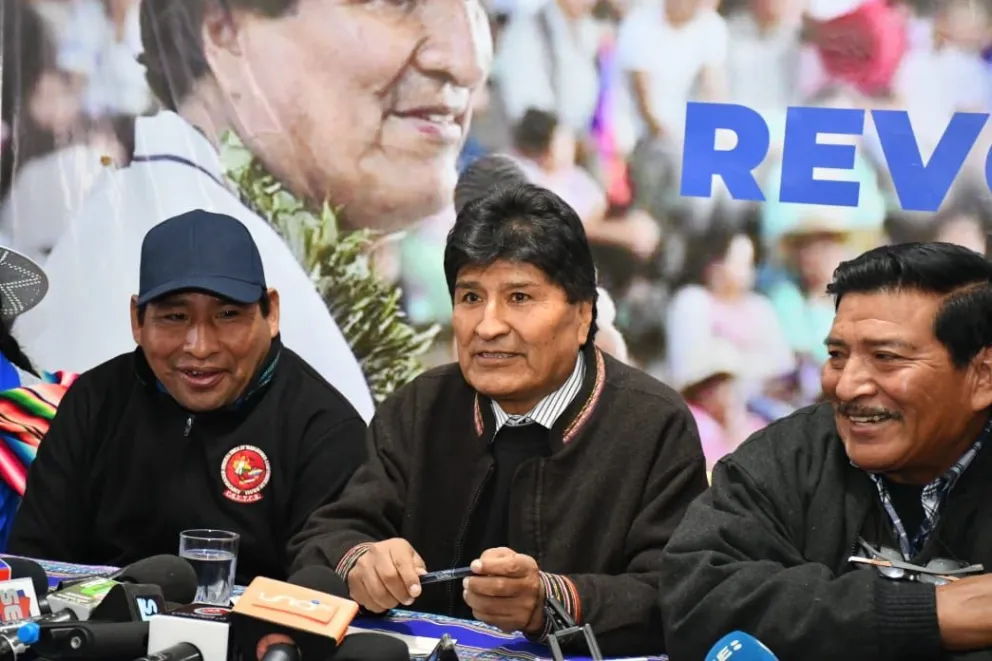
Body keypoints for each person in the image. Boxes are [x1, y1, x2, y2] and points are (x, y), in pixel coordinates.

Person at [12, 0, 494, 419]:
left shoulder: (199, 220)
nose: (467, 60)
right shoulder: (158, 261)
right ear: (222, 27)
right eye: (395, 1)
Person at [290, 184, 706, 656]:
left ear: (582, 315)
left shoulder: (653, 424)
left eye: (519, 297)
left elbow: (674, 593)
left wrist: (548, 601)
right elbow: (325, 538)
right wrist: (362, 562)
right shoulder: (421, 407)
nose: (487, 326)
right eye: (470, 297)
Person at [659, 242, 992, 661]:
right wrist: (924, 614)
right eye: (836, 355)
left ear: (982, 376)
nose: (846, 386)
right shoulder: (786, 456)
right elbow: (698, 604)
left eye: (886, 357)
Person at [9, 210, 367, 583]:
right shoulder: (95, 402)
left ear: (271, 313)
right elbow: (33, 566)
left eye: (227, 315)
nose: (199, 347)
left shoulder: (324, 429)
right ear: (137, 320)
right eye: (175, 317)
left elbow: (320, 597)